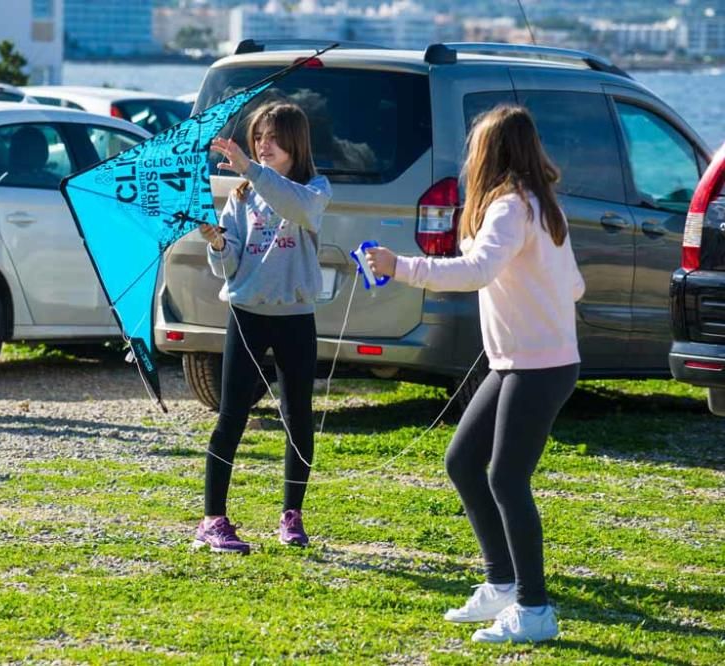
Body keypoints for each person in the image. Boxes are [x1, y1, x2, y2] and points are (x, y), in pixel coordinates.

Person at [366, 105, 584, 643]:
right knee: (463, 460)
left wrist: (401, 267)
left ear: (489, 153)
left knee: (507, 479)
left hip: (538, 366)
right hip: (522, 362)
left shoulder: (512, 206)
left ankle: (535, 611)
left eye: (474, 148)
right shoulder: (539, 204)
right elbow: (574, 285)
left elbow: (478, 271)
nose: (469, 158)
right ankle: (502, 585)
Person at [192, 102, 332, 555]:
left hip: (295, 317)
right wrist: (218, 244)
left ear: (295, 143)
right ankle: (212, 519)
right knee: (231, 414)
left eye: (272, 138)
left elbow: (296, 206)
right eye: (257, 138)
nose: (262, 145)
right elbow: (230, 263)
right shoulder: (240, 194)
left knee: (297, 417)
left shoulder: (314, 189)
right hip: (247, 315)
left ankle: (292, 515)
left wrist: (252, 168)